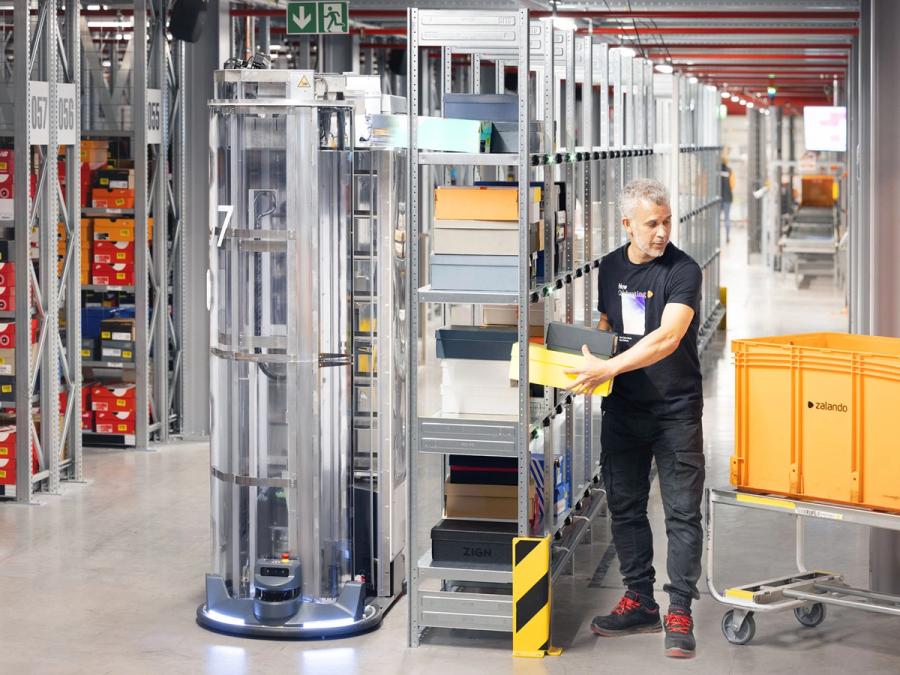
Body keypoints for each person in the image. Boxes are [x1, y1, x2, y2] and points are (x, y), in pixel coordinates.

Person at [566, 178, 705, 659]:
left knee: (682, 512)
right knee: (625, 506)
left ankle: (681, 609)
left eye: (668, 222)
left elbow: (668, 337)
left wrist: (609, 366)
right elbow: (610, 325)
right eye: (652, 224)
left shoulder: (683, 270)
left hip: (675, 411)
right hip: (624, 409)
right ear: (627, 224)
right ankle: (640, 601)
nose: (662, 232)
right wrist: (583, 356)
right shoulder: (609, 267)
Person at [720, 158, 734, 243]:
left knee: (716, 218)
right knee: (727, 218)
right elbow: (733, 184)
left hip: (718, 198)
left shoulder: (716, 170)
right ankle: (727, 236)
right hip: (728, 197)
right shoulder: (730, 171)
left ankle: (716, 237)